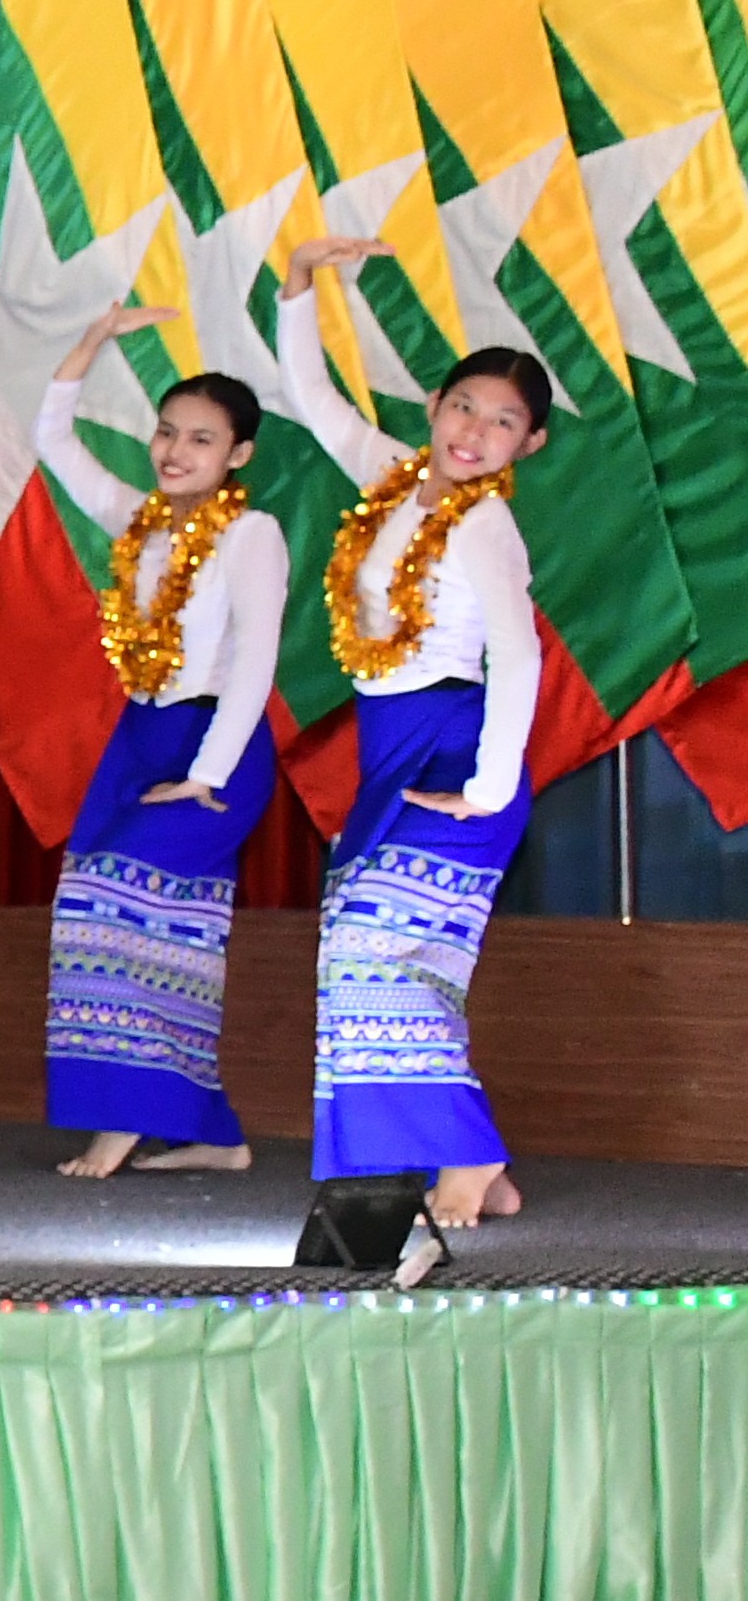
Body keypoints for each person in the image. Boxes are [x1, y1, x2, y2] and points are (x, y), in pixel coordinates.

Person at [271, 231, 548, 1226]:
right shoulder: (392, 477)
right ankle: (483, 1167)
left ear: (528, 446)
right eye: (465, 405)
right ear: (433, 408)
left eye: (505, 421)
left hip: (458, 754)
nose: (476, 429)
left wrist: (483, 785)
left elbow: (520, 657)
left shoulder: (484, 523)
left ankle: (465, 1157)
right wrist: (301, 282)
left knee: (367, 954)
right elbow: (313, 398)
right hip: (394, 752)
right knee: (403, 965)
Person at [28, 297, 286, 1176]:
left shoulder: (252, 535)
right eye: (168, 432)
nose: (177, 452)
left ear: (239, 454)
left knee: (125, 911)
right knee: (130, 925)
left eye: (202, 439)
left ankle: (127, 1122)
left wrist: (207, 775)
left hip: (215, 746)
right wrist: (91, 338)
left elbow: (254, 661)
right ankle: (213, 1134)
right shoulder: (141, 522)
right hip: (138, 739)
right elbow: (53, 442)